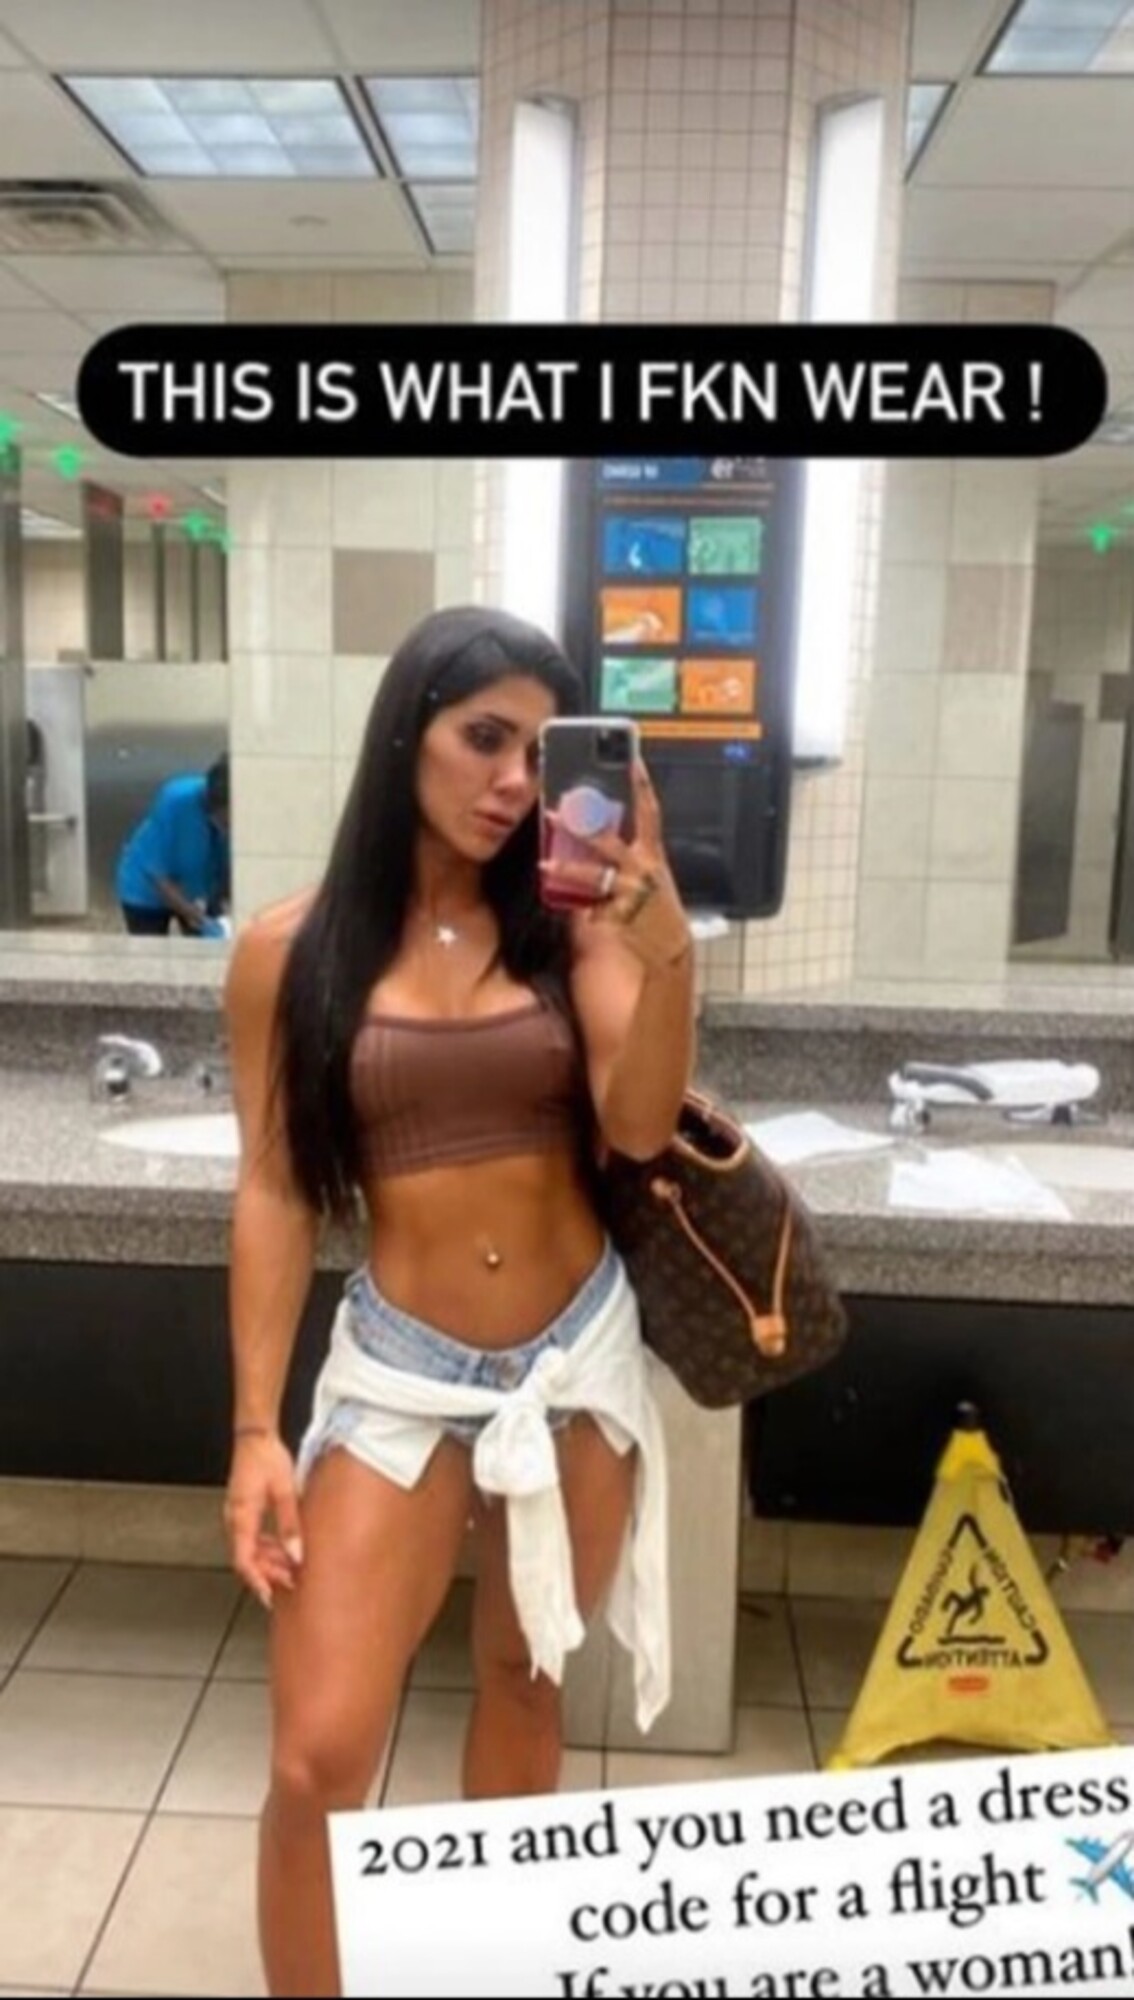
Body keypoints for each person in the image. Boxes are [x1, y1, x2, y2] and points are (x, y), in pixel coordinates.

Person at [222, 605, 695, 1999]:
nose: (513, 780)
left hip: (573, 1363)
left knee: (525, 1686)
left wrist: (665, 947)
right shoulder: (290, 951)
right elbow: (274, 1188)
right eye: (483, 738)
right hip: (400, 1373)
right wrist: (254, 1429)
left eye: (541, 753)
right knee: (317, 1755)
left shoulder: (575, 932)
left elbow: (640, 1121)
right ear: (404, 735)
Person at [115, 753, 230, 936]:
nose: (230, 828)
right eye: (225, 822)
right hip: (147, 891)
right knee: (150, 948)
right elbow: (157, 874)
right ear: (213, 810)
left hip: (201, 885)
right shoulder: (176, 800)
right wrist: (196, 916)